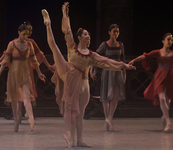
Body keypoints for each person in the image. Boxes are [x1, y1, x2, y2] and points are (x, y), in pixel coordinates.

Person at [41, 2, 135, 148]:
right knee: (55, 48)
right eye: (85, 35)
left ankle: (79, 140)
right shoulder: (72, 46)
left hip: (83, 84)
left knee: (80, 114)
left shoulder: (91, 55)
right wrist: (65, 14)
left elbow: (107, 61)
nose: (88, 37)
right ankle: (48, 24)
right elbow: (67, 31)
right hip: (70, 76)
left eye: (89, 36)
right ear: (80, 37)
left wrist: (124, 65)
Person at [129, 33, 173, 132]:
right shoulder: (158, 52)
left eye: (171, 40)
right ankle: (168, 120)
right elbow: (146, 56)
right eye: (168, 39)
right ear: (163, 41)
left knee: (167, 100)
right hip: (160, 76)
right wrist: (134, 60)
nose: (170, 41)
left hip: (170, 77)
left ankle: (164, 116)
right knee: (162, 98)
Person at [0, 22, 55, 120]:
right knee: (15, 91)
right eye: (26, 32)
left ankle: (25, 113)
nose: (28, 34)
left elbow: (39, 55)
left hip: (26, 69)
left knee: (25, 91)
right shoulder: (13, 42)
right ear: (20, 32)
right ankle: (16, 113)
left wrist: (48, 66)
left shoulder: (30, 42)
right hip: (15, 69)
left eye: (29, 32)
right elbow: (6, 55)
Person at [90, 24, 126, 131]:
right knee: (105, 95)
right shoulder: (104, 45)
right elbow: (95, 57)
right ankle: (107, 118)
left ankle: (110, 118)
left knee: (115, 95)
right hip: (107, 71)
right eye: (114, 31)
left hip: (117, 71)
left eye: (117, 31)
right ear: (109, 32)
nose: (116, 33)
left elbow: (123, 59)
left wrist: (124, 73)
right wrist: (93, 70)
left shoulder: (121, 45)